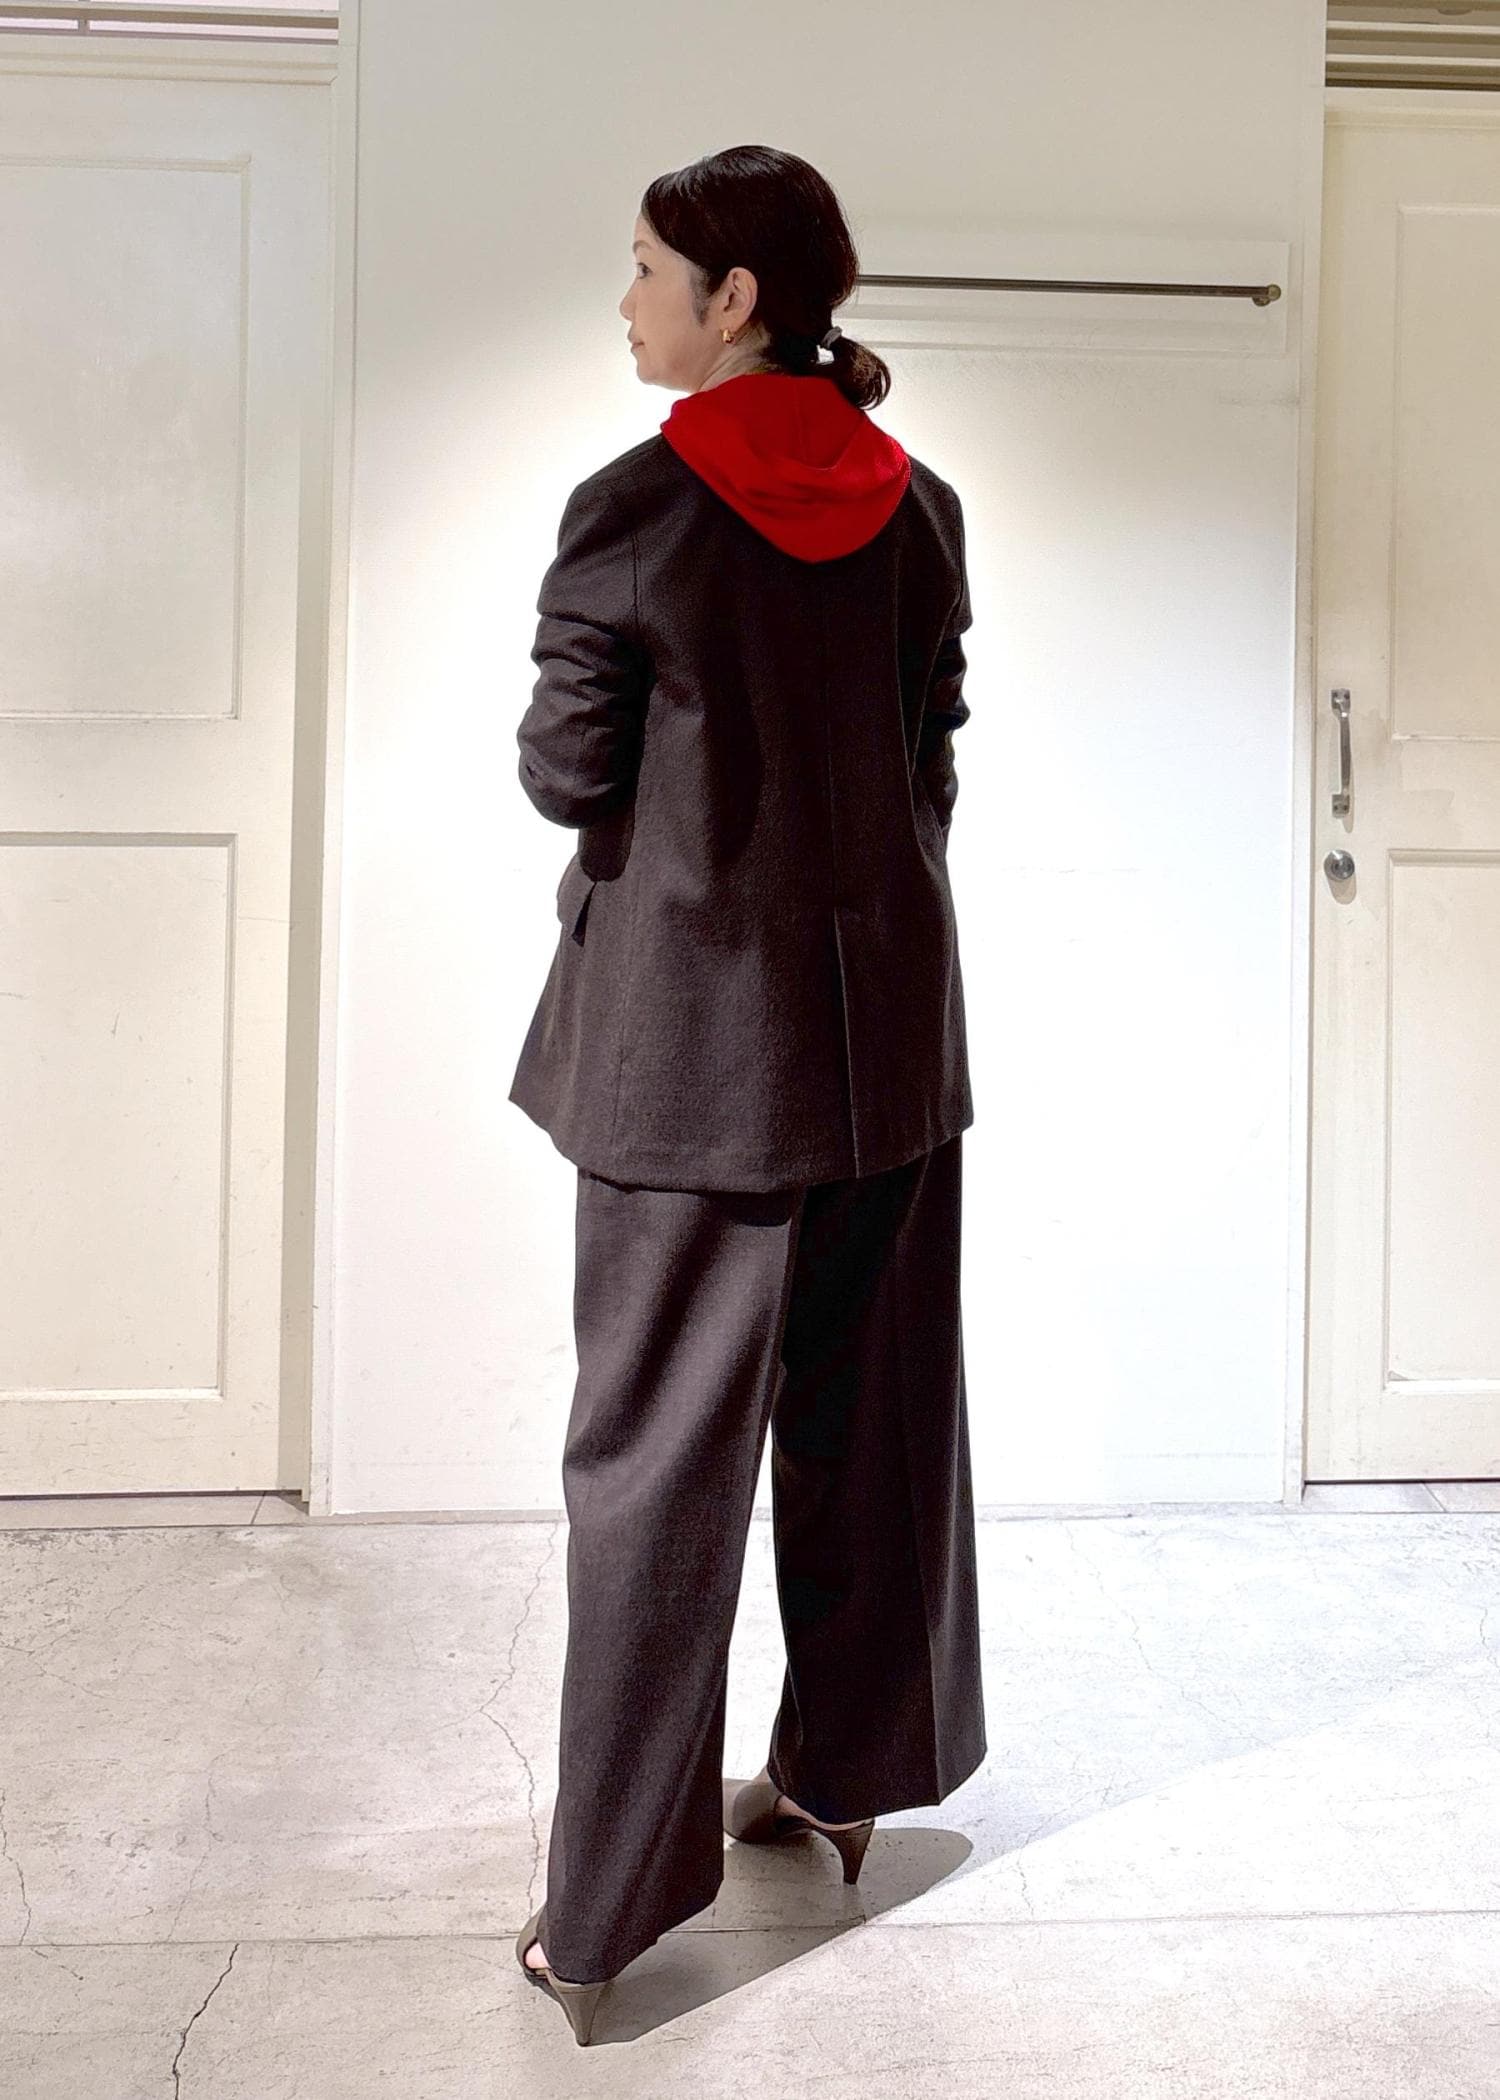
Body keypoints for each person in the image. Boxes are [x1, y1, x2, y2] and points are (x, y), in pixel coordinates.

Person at [509, 143, 985, 2047]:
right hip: (888, 1045)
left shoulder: (633, 508)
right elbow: (934, 752)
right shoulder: (920, 502)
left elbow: (567, 773)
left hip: (690, 1057)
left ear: (735, 300)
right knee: (873, 1424)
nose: (626, 300)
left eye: (648, 268)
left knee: (651, 1465)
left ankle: (605, 1915)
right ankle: (846, 1784)